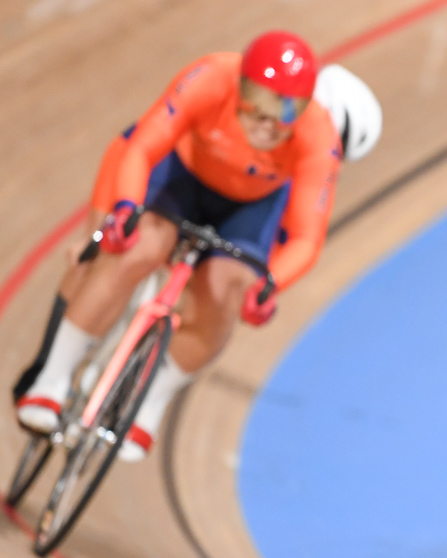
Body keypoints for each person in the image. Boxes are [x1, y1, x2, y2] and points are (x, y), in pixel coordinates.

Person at [14, 33, 381, 462]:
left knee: (226, 290)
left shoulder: (317, 136)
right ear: (240, 84)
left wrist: (268, 286)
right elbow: (139, 148)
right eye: (257, 102)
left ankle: (150, 403)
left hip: (248, 205)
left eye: (285, 111)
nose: (267, 122)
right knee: (138, 248)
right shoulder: (209, 78)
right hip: (182, 178)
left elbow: (305, 238)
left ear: (305, 107)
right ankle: (50, 379)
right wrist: (126, 211)